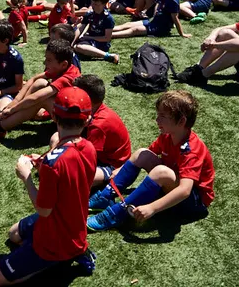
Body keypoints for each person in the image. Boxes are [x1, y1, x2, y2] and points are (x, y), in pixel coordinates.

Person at [0, 87, 97, 286]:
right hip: (73, 221)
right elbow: (69, 171)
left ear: (54, 116)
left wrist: (26, 177)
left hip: (56, 236)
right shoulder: (88, 147)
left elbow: (44, 210)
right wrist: (44, 161)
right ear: (87, 120)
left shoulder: (52, 165)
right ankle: (67, 250)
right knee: (14, 234)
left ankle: (59, 258)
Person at [86, 90, 214, 235]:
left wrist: (152, 207)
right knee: (142, 153)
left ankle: (115, 214)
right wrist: (122, 169)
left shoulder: (191, 150)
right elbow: (148, 154)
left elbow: (185, 191)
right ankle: (105, 196)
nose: (157, 120)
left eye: (162, 116)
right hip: (173, 185)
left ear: (181, 121)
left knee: (161, 172)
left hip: (194, 203)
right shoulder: (167, 136)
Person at [0, 39, 80, 139]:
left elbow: (36, 98)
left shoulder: (68, 77)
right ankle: (5, 114)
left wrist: (12, 110)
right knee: (40, 83)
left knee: (41, 100)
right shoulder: (62, 68)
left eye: (49, 60)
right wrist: (14, 103)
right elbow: (34, 79)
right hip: (62, 111)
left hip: (71, 123)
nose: (45, 63)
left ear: (63, 64)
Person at [48, 75, 131, 186]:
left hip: (112, 165)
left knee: (73, 177)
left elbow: (87, 159)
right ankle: (51, 159)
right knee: (55, 137)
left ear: (88, 99)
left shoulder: (98, 125)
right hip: (100, 154)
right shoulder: (96, 110)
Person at [111, 0, 191, 39]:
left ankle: (110, 35)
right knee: (128, 24)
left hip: (160, 28)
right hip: (154, 21)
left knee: (134, 30)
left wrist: (182, 33)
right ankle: (106, 31)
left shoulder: (173, 0)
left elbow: (175, 18)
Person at [73, 0, 119, 64]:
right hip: (89, 40)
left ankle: (108, 56)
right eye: (92, 3)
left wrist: (89, 38)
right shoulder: (90, 14)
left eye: (96, 4)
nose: (93, 6)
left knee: (78, 47)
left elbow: (106, 38)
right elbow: (80, 28)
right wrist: (72, 42)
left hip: (101, 44)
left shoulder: (108, 18)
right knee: (74, 45)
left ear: (104, 4)